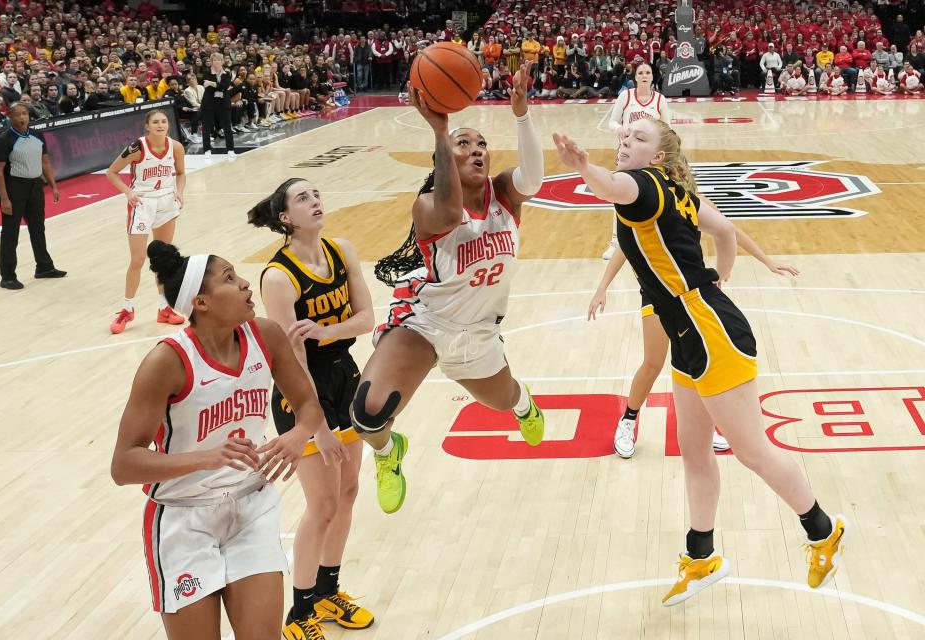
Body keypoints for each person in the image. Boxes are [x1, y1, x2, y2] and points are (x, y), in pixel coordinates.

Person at [552, 119, 848, 606]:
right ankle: (703, 557)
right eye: (623, 136)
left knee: (752, 452)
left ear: (658, 157)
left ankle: (824, 531)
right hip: (691, 328)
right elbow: (726, 231)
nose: (626, 142)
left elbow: (610, 184)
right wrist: (720, 277)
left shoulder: (644, 185)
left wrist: (585, 166)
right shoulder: (675, 190)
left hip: (711, 332)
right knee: (694, 452)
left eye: (638, 139)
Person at [111, 240, 327, 640]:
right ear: (202, 302)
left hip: (252, 506)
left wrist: (298, 435)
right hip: (183, 515)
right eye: (230, 278)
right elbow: (123, 465)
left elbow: (307, 406)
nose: (246, 284)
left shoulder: (265, 335)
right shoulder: (167, 362)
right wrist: (205, 458)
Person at [355, 63, 546, 514]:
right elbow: (449, 209)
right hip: (426, 321)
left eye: (482, 144)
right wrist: (440, 134)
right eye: (465, 144)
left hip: (479, 329)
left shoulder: (504, 195)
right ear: (446, 157)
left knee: (502, 399)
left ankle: (524, 406)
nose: (478, 150)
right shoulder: (428, 208)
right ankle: (388, 453)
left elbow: (534, 179)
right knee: (367, 412)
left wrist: (522, 115)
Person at [249, 178, 376, 638]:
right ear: (285, 217)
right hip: (300, 390)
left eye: (317, 193)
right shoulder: (278, 276)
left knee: (348, 493)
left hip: (344, 374)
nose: (316, 201)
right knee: (321, 504)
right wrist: (315, 425)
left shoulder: (343, 250)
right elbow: (292, 357)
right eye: (303, 198)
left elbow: (368, 319)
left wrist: (325, 331)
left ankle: (328, 591)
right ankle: (299, 612)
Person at [589, 218, 801, 458]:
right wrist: (602, 287)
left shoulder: (692, 200)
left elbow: (729, 230)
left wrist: (767, 261)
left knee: (696, 365)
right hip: (657, 294)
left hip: (692, 295)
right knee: (652, 363)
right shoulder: (646, 201)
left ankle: (703, 427)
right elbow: (625, 246)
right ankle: (627, 421)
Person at [105, 109, 187, 333]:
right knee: (139, 259)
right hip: (142, 204)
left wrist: (180, 191)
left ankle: (164, 308)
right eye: (155, 122)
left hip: (166, 202)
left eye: (163, 121)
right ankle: (127, 309)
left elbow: (180, 173)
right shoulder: (137, 148)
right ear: (147, 126)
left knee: (164, 258)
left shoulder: (176, 147)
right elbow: (111, 172)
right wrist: (127, 192)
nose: (160, 125)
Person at [0, 103, 66, 290]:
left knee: (38, 228)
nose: (22, 118)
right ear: (10, 117)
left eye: (24, 113)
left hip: (35, 185)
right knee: (11, 233)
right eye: (17, 115)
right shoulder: (4, 139)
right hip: (14, 187)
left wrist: (53, 186)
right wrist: (5, 198)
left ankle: (44, 267)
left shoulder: (37, 135)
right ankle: (7, 276)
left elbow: (45, 162)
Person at [602, 62, 669, 260]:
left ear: (652, 76)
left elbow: (667, 128)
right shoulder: (626, 96)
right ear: (636, 77)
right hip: (627, 154)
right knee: (619, 196)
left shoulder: (659, 100)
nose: (645, 75)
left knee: (656, 198)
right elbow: (612, 121)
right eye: (641, 72)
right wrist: (618, 128)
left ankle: (657, 241)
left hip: (650, 158)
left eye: (648, 72)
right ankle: (615, 242)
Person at [201, 52, 236, 157]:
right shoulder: (207, 72)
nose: (216, 62)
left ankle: (230, 149)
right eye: (214, 60)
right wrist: (218, 85)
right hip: (208, 103)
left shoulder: (227, 73)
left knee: (227, 127)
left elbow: (225, 87)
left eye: (218, 60)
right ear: (211, 62)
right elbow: (210, 88)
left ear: (222, 61)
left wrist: (212, 83)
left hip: (223, 103)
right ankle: (207, 150)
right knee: (206, 127)